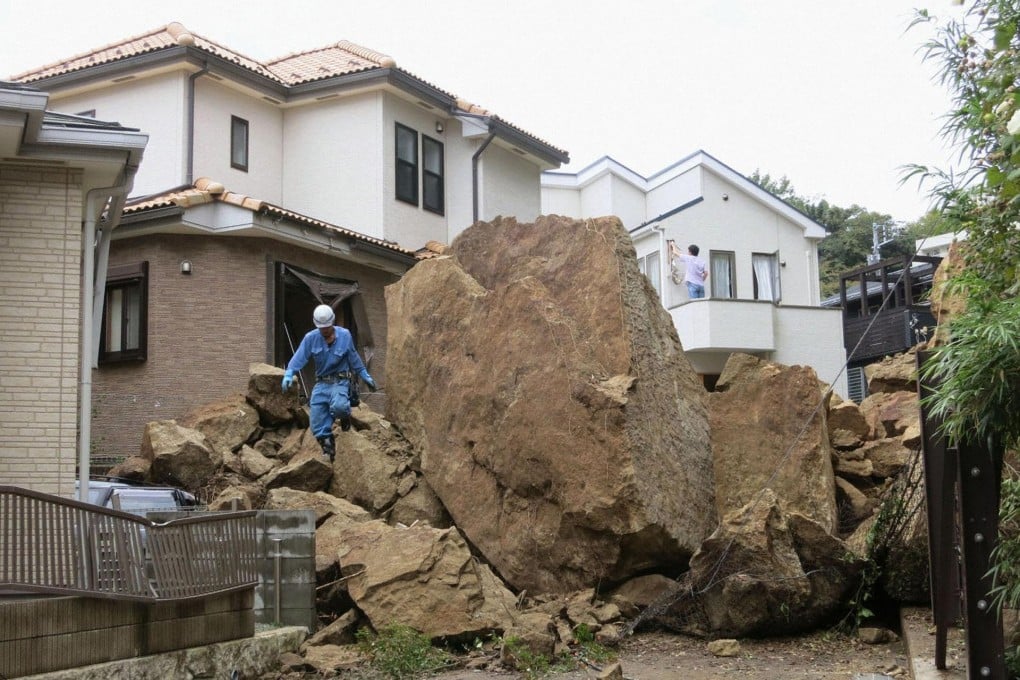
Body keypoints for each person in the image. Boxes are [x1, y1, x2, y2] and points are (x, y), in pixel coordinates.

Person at [282, 304, 375, 461]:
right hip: (322, 383)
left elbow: (353, 356)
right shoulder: (311, 338)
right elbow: (300, 356)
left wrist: (364, 374)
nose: (324, 330)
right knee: (316, 420)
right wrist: (289, 373)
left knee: (339, 406)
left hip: (340, 380)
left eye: (327, 327)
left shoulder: (345, 335)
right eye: (321, 327)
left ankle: (344, 415)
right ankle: (328, 446)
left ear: (332, 322)